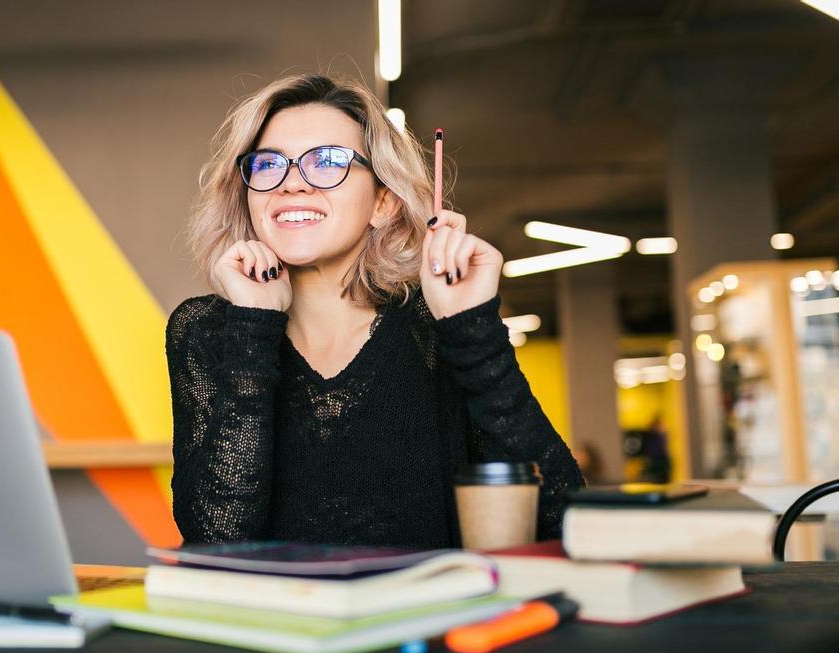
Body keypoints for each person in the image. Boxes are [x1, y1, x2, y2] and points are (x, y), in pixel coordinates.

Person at [166, 73, 583, 548]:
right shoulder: (205, 330)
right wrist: (253, 327)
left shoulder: (434, 327)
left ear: (382, 202)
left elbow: (564, 518)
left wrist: (473, 332)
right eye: (268, 164)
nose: (291, 184)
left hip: (423, 618)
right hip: (275, 618)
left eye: (327, 161)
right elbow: (215, 536)